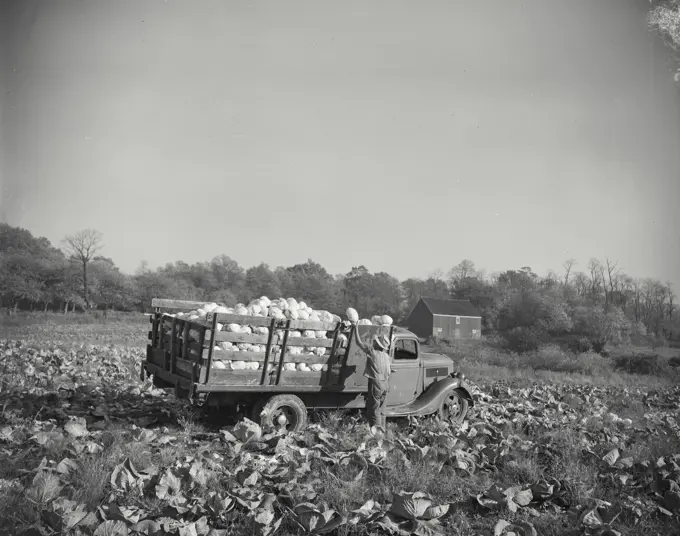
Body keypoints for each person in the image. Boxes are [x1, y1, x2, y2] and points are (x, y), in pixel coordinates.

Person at [353, 323, 394, 432]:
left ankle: (377, 434)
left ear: (378, 345)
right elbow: (389, 371)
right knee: (382, 410)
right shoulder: (387, 357)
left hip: (376, 384)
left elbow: (358, 342)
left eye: (375, 341)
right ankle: (383, 431)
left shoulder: (372, 352)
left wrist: (355, 327)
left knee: (374, 410)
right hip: (386, 385)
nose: (374, 342)